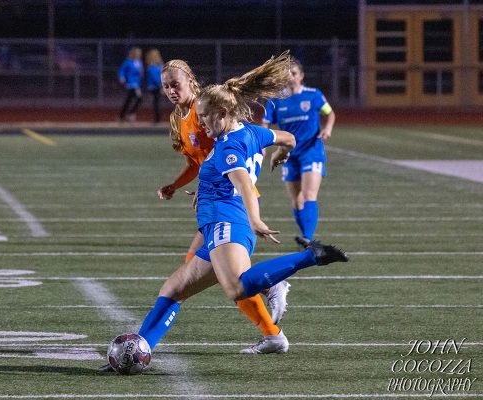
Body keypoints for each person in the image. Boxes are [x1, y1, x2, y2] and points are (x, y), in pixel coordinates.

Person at [102, 54, 348, 371]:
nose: (201, 122)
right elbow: (287, 137)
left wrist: (257, 219)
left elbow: (245, 185)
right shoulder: (251, 131)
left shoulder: (229, 147)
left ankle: (307, 259)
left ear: (222, 113)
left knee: (237, 287)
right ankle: (139, 350)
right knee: (172, 290)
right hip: (217, 225)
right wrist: (281, 154)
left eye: (205, 117)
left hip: (227, 222)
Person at [156, 59, 290, 352]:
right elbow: (198, 163)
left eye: (175, 84)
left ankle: (270, 296)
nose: (170, 90)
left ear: (191, 80)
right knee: (204, 271)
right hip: (216, 198)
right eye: (165, 86)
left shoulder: (203, 112)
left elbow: (227, 155)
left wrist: (208, 191)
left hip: (229, 200)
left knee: (203, 274)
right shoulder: (181, 116)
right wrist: (177, 186)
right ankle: (272, 332)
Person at [262, 57, 336, 248]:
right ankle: (306, 237)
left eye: (294, 73)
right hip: (288, 154)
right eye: (286, 74)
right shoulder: (276, 100)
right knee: (297, 201)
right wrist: (262, 143)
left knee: (309, 195)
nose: (290, 77)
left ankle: (307, 237)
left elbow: (329, 113)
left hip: (311, 151)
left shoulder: (314, 95)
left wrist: (327, 129)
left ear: (301, 76)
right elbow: (265, 123)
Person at [118, 47, 143, 122]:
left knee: (128, 100)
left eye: (139, 53)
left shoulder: (139, 62)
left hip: (137, 83)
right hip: (131, 83)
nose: (139, 54)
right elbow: (121, 70)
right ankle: (130, 114)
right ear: (133, 54)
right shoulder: (128, 62)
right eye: (137, 53)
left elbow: (140, 73)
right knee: (139, 98)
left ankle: (122, 116)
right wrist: (122, 77)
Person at [145, 48, 163, 123]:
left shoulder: (158, 65)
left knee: (157, 102)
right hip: (155, 87)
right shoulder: (152, 67)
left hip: (156, 86)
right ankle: (157, 119)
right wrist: (161, 86)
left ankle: (158, 118)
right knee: (156, 102)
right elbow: (155, 78)